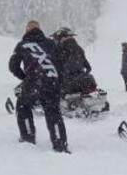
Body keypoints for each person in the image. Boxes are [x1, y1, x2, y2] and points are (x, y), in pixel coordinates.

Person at [9, 20, 69, 152]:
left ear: (27, 30)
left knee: (23, 105)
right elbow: (62, 63)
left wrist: (24, 77)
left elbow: (13, 65)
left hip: (33, 82)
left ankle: (28, 137)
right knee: (53, 112)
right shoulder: (51, 43)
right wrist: (58, 80)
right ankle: (60, 143)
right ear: (40, 29)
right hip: (52, 82)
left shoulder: (22, 45)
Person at [53, 27, 94, 94]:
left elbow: (55, 66)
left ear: (62, 38)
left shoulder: (59, 49)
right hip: (82, 81)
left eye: (56, 39)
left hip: (67, 83)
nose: (55, 41)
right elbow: (88, 67)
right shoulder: (78, 48)